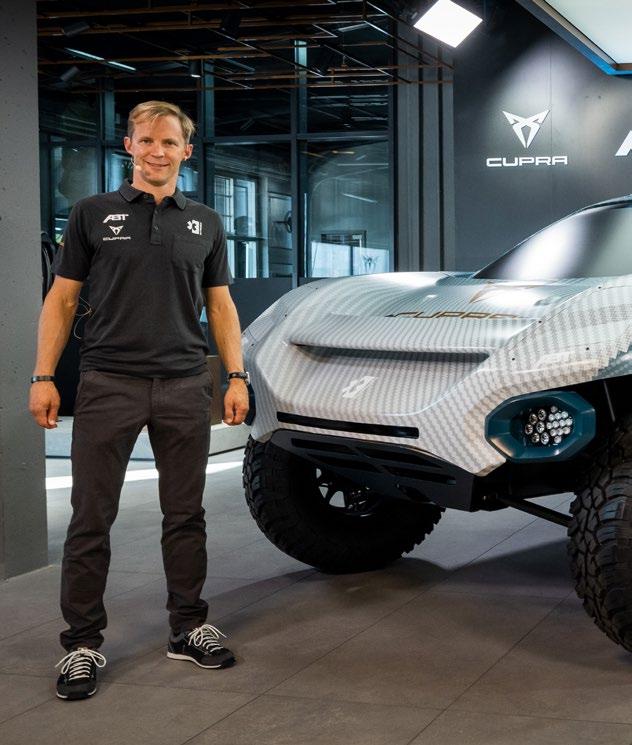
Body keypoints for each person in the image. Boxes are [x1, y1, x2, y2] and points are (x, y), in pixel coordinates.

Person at [29, 100, 250, 701]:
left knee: (186, 515)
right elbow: (62, 299)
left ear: (186, 151)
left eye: (169, 142)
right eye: (146, 140)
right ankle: (81, 644)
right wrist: (43, 376)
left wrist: (236, 376)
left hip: (184, 385)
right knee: (89, 518)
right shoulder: (91, 213)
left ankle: (188, 627)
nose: (157, 151)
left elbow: (221, 305)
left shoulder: (205, 222)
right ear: (128, 146)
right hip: (108, 383)